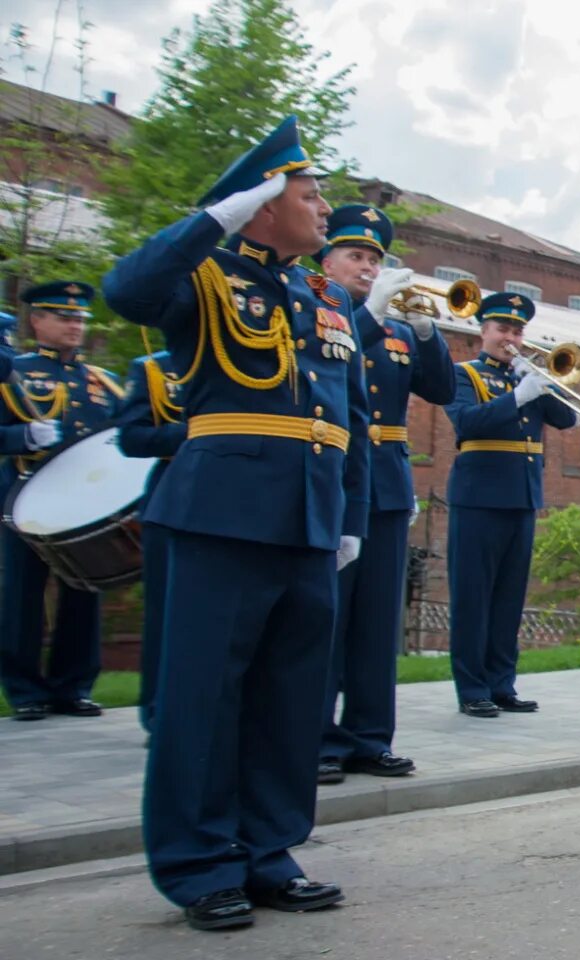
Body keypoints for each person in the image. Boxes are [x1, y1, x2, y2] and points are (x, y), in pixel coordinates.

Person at [101, 116, 367, 930]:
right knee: (205, 697)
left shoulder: (323, 298)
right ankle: (199, 862)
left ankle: (268, 851)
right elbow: (127, 291)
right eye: (308, 196)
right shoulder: (204, 277)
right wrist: (213, 218)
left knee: (290, 700)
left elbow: (345, 414)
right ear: (260, 206)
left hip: (309, 519)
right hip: (222, 514)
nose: (324, 211)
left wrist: (348, 516)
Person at [314, 204, 454, 778]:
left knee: (377, 621)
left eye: (375, 259)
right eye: (355, 256)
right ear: (326, 260)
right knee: (328, 619)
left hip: (388, 483)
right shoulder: (314, 311)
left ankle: (370, 736)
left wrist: (427, 332)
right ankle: (318, 739)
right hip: (333, 479)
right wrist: (369, 311)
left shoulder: (397, 328)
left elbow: (442, 388)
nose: (368, 267)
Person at [444, 291, 576, 718]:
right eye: (503, 329)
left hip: (521, 499)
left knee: (508, 599)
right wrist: (517, 397)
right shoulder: (463, 374)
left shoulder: (528, 377)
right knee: (473, 597)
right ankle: (472, 688)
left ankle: (502, 684)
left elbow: (567, 418)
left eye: (518, 330)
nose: (511, 337)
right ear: (483, 331)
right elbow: (466, 422)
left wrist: (537, 381)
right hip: (478, 499)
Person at [0, 281, 122, 721]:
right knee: (22, 598)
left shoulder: (102, 382)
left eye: (80, 319)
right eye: (64, 317)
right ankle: (25, 691)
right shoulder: (12, 370)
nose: (75, 325)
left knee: (83, 594)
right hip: (23, 501)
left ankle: (74, 686)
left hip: (82, 508)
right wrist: (22, 436)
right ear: (37, 321)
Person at [116, 349, 186, 732]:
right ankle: (161, 713)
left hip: (242, 499)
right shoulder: (155, 369)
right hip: (175, 498)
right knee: (167, 612)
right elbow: (132, 437)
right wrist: (197, 431)